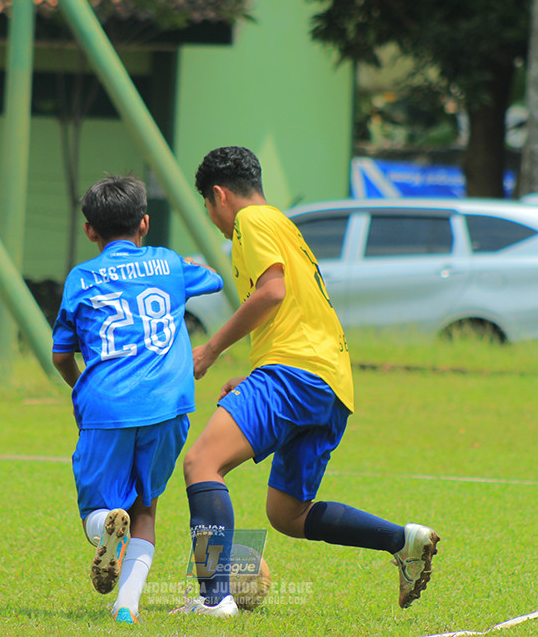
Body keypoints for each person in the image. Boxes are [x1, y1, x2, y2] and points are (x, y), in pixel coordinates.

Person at [172, 146, 440, 618]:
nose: (212, 217)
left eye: (208, 206)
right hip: (330, 383)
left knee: (201, 463)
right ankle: (403, 541)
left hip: (293, 373)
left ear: (218, 195)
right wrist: (256, 374)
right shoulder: (282, 223)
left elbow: (272, 292)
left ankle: (213, 600)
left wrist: (211, 350)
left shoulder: (249, 223)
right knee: (287, 514)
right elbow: (294, 309)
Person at [51, 175, 224, 624]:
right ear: (144, 223)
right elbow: (214, 279)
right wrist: (180, 263)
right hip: (169, 403)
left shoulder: (81, 276)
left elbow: (59, 354)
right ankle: (126, 606)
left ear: (90, 231)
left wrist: (81, 392)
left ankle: (105, 523)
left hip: (107, 403)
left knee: (97, 508)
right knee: (146, 506)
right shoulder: (168, 263)